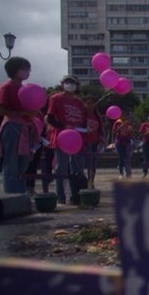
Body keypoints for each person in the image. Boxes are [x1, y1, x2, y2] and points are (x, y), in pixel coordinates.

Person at [0, 56, 39, 194]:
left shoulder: (24, 88)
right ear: (14, 70)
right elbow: (0, 110)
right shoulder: (7, 87)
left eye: (28, 69)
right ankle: (12, 194)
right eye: (24, 69)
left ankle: (20, 192)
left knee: (23, 162)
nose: (27, 72)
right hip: (12, 126)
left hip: (24, 128)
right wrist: (22, 113)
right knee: (11, 162)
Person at [46, 75, 87, 205]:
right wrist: (64, 127)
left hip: (76, 137)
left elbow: (83, 119)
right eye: (67, 82)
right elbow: (50, 118)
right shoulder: (56, 98)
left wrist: (84, 128)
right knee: (61, 168)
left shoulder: (79, 102)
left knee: (78, 167)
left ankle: (76, 194)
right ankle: (60, 195)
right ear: (62, 84)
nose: (70, 85)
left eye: (73, 83)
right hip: (62, 136)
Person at [82, 94, 105, 189]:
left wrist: (101, 140)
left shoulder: (97, 115)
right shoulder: (82, 115)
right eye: (88, 103)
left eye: (92, 103)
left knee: (93, 166)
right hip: (84, 143)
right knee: (83, 165)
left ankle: (91, 183)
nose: (90, 105)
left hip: (95, 143)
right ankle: (83, 183)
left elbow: (101, 129)